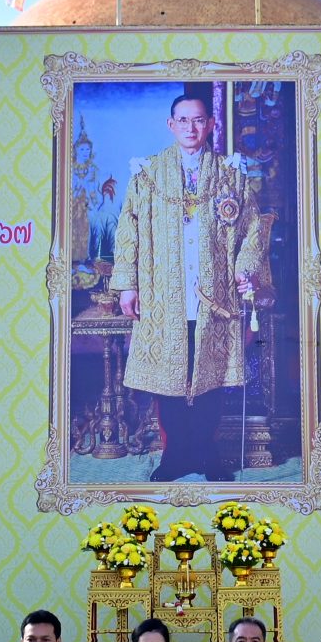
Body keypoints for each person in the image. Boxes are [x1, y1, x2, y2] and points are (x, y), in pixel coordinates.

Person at [111, 88, 269, 483]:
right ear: (171, 125)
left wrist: (245, 267)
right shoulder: (147, 174)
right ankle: (176, 455)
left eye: (199, 120)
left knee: (211, 376)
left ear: (210, 124)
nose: (191, 127)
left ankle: (206, 453)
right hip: (164, 293)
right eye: (183, 120)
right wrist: (128, 285)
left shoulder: (231, 174)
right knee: (171, 377)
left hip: (214, 295)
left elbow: (252, 228)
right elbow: (126, 231)